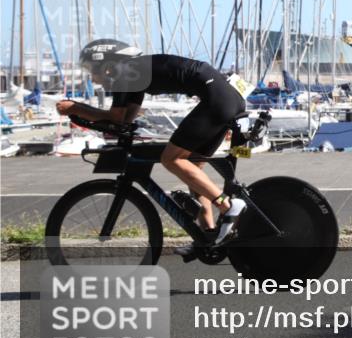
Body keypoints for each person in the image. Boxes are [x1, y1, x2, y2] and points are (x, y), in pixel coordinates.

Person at [56, 39, 247, 248]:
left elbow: (114, 117)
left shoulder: (125, 72)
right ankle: (208, 236)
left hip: (217, 99)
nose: (93, 78)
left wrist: (75, 108)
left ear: (107, 65)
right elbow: (124, 120)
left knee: (171, 159)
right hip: (225, 97)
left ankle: (227, 206)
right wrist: (87, 115)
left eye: (92, 70)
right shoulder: (134, 74)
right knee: (191, 169)